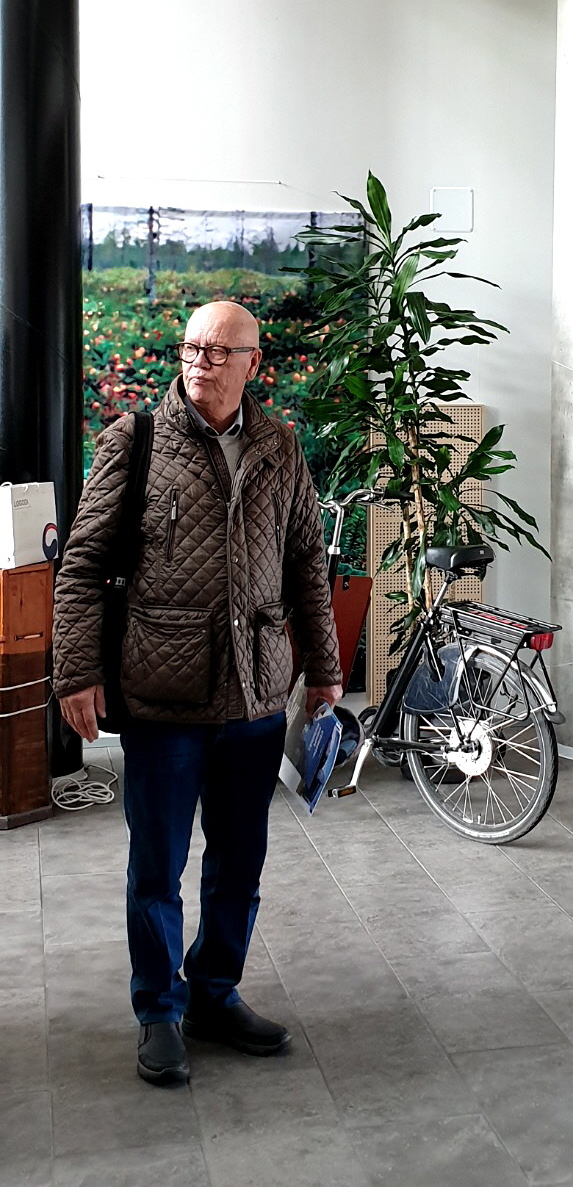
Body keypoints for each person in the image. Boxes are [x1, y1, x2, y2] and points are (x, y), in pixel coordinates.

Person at [53, 301, 342, 1086]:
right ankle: (159, 1008)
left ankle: (214, 992)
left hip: (255, 699)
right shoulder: (137, 439)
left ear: (254, 363)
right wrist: (75, 671)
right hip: (164, 699)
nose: (200, 362)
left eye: (218, 351)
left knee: (239, 862)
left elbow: (307, 565)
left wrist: (324, 670)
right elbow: (81, 565)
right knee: (158, 866)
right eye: (192, 347)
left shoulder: (281, 446)